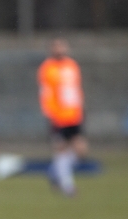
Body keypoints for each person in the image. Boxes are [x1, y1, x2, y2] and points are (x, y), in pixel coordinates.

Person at [37, 38, 87, 197]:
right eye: (57, 47)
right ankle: (68, 187)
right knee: (62, 151)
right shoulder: (47, 68)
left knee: (81, 150)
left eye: (62, 46)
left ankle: (54, 171)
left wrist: (81, 108)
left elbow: (76, 89)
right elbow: (46, 94)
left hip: (74, 115)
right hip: (59, 117)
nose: (60, 49)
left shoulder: (72, 66)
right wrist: (51, 114)